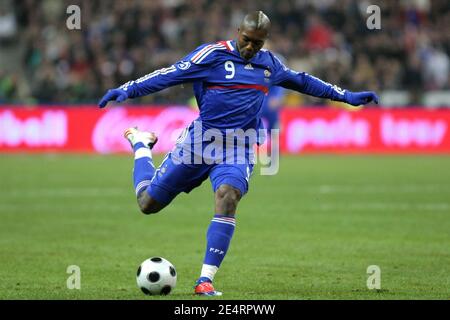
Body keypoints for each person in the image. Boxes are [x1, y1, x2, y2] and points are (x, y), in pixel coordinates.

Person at [98, 11, 378, 296]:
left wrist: (346, 96)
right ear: (238, 32)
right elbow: (170, 75)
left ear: (264, 41)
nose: (250, 48)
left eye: (257, 43)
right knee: (147, 204)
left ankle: (205, 280)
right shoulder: (212, 55)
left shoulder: (269, 65)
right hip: (200, 143)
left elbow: (303, 81)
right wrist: (127, 90)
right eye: (246, 40)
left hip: (240, 146)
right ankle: (142, 145)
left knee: (228, 195)